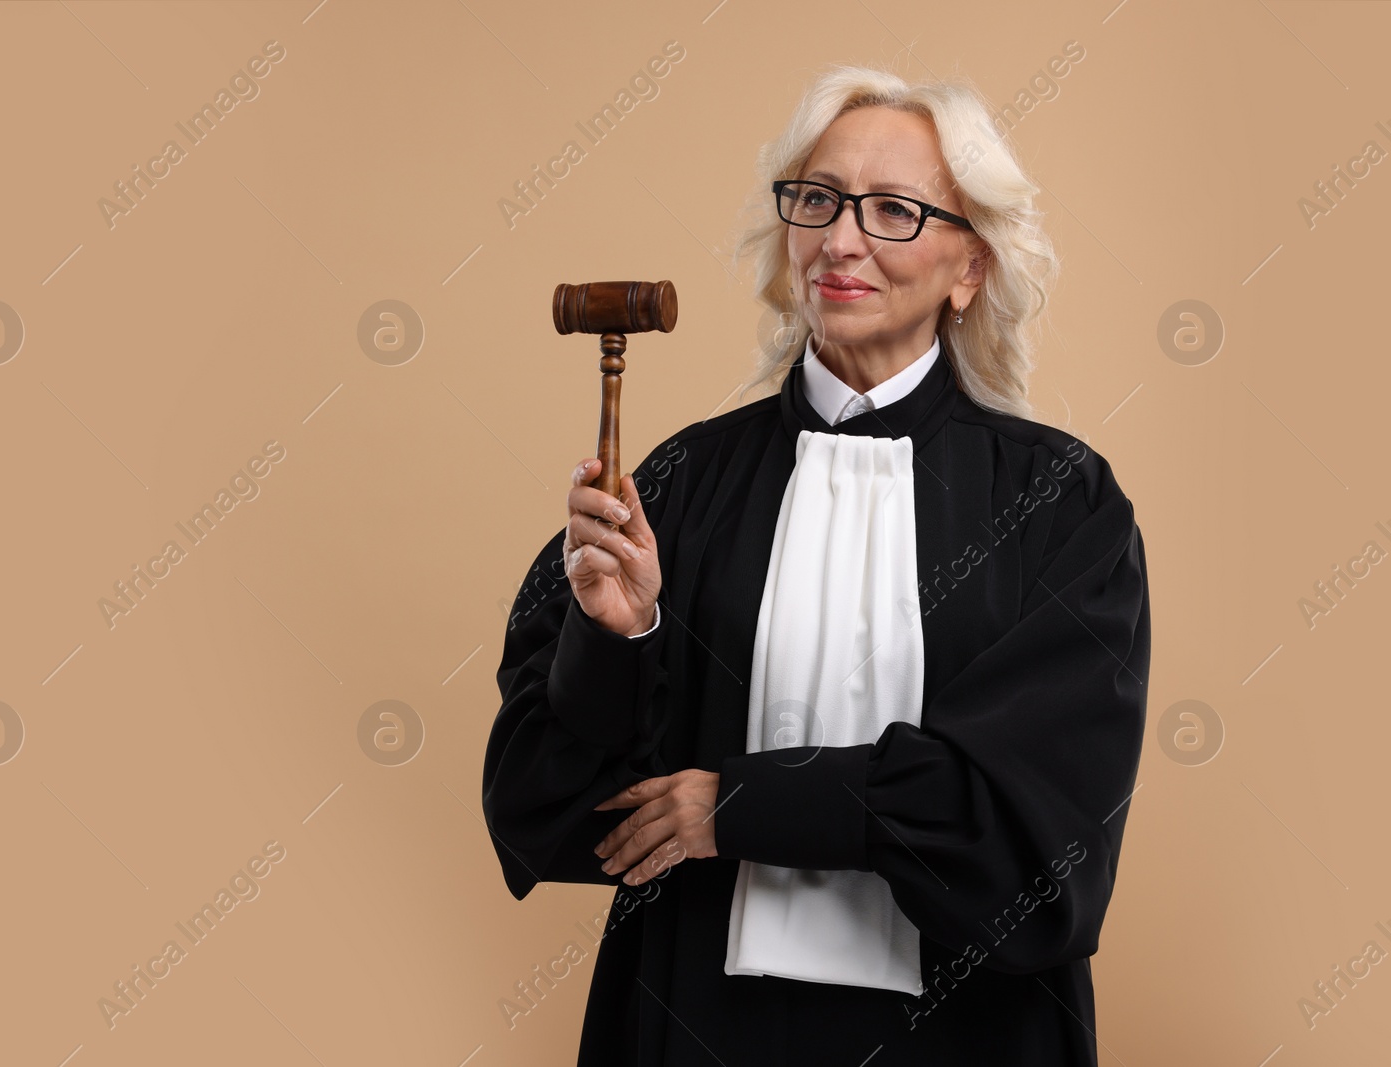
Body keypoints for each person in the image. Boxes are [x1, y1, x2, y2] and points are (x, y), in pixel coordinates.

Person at [482, 63, 1151, 1066]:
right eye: (818, 199)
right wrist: (621, 639)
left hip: (968, 1038)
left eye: (893, 210)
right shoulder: (674, 483)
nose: (840, 239)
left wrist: (743, 802)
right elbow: (543, 804)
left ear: (971, 267)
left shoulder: (1059, 503)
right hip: (697, 1023)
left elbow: (1041, 849)